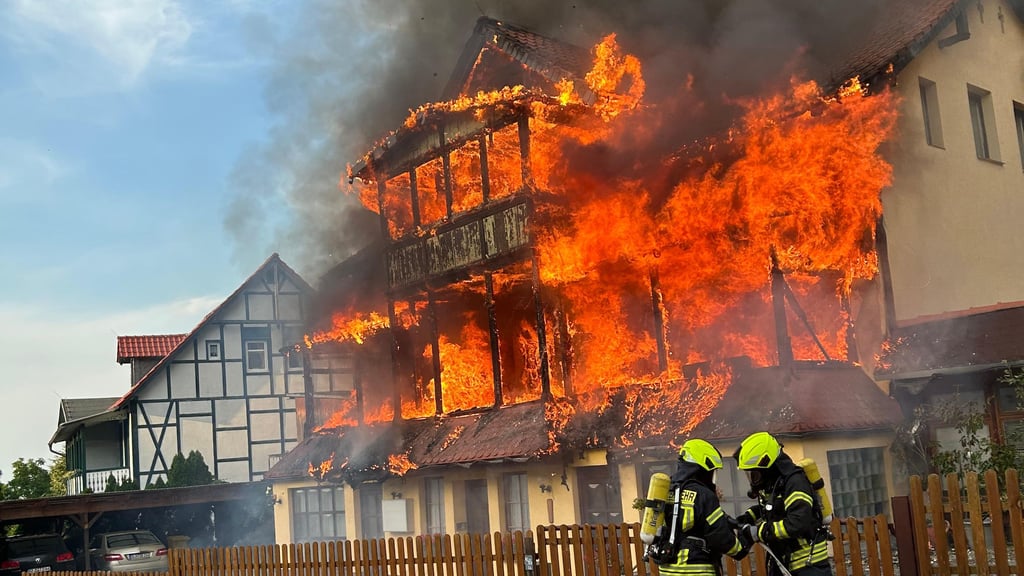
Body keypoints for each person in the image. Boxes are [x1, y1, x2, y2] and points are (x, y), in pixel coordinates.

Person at [734, 432, 832, 576]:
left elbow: (797, 523)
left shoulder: (795, 483)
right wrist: (748, 516)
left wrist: (759, 532)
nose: (752, 479)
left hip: (808, 566)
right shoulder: (776, 484)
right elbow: (775, 508)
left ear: (767, 466)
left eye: (755, 474)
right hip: (786, 564)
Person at [650, 438, 752, 576]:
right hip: (697, 569)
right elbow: (720, 537)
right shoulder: (704, 495)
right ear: (702, 469)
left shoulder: (666, 489)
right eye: (712, 472)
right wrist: (743, 545)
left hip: (667, 570)